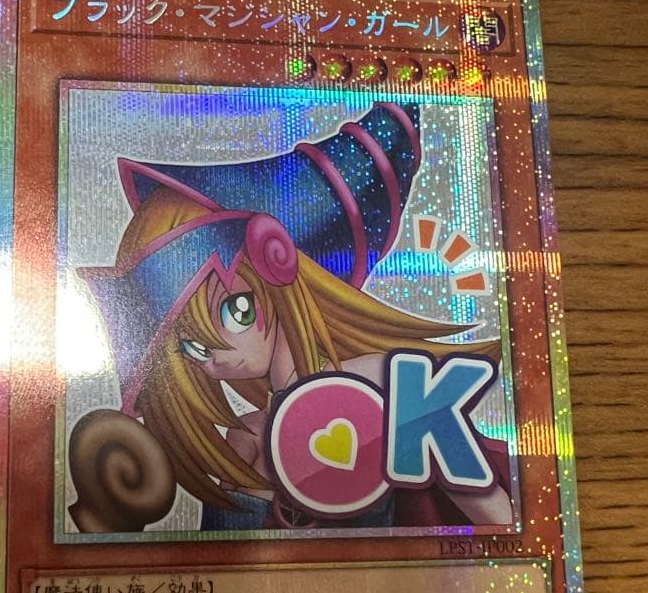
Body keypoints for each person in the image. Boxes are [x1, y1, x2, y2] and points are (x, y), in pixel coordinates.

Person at [72, 101, 512, 532]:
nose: (215, 357)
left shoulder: (382, 379)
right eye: (193, 347)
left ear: (280, 272)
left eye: (235, 311)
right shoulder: (247, 438)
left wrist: (509, 552)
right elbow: (223, 559)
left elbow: (486, 504)